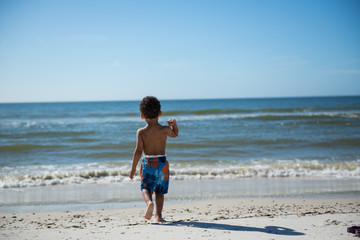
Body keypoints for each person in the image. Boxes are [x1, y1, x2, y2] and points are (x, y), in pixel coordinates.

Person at [129, 96, 179, 222]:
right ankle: (158, 216)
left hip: (148, 163)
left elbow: (138, 151)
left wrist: (133, 168)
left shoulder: (141, 132)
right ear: (160, 113)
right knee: (160, 191)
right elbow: (175, 134)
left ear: (142, 116)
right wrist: (174, 125)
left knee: (145, 187)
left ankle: (149, 203)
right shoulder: (165, 130)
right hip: (162, 163)